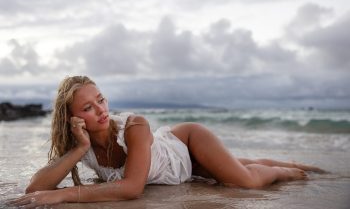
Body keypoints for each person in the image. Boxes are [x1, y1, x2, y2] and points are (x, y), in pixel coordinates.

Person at [10, 76, 325, 208]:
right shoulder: (81, 142)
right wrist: (79, 149)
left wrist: (63, 197)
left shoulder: (134, 126)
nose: (101, 110)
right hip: (181, 169)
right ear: (72, 119)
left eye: (101, 100)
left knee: (246, 182)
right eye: (88, 108)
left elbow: (132, 188)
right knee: (229, 167)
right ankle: (280, 163)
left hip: (186, 144)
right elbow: (36, 188)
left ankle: (290, 171)